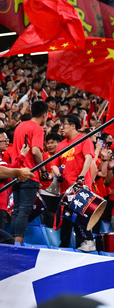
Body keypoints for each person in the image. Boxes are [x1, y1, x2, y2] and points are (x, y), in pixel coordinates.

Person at [53, 114, 96, 251]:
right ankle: (64, 244)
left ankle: (88, 241)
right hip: (66, 187)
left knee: (79, 215)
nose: (61, 128)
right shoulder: (61, 145)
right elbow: (54, 164)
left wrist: (82, 176)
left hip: (80, 185)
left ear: (73, 125)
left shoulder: (84, 139)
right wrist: (58, 174)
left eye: (63, 125)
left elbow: (88, 159)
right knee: (66, 217)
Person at [11, 100, 47, 245]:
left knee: (17, 210)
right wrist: (43, 169)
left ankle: (11, 243)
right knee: (24, 211)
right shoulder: (37, 129)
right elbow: (35, 151)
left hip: (16, 173)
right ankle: (17, 244)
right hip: (29, 174)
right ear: (44, 115)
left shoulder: (19, 126)